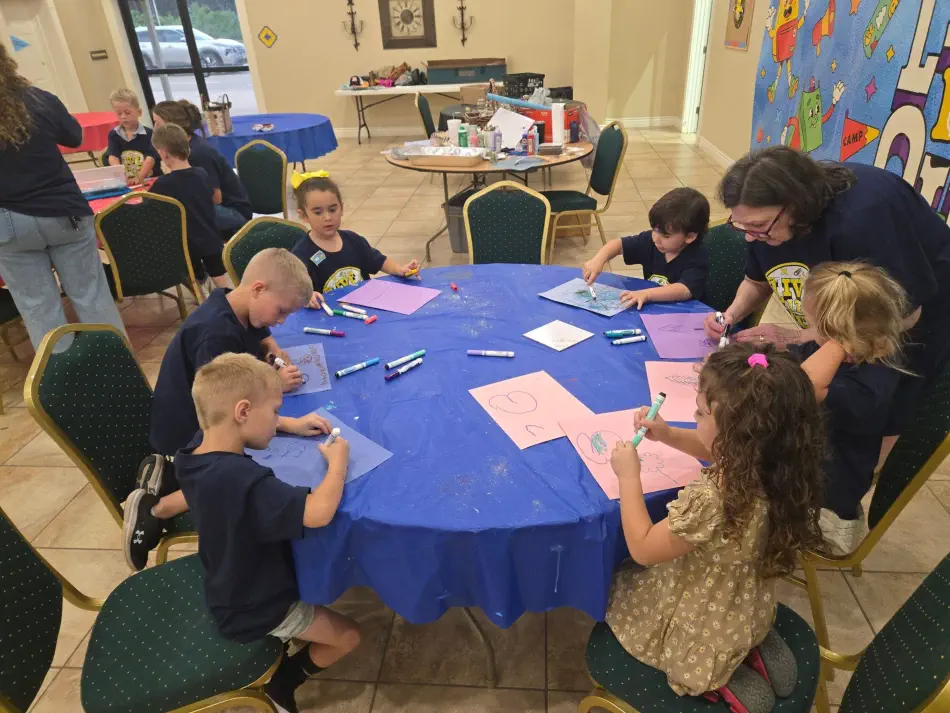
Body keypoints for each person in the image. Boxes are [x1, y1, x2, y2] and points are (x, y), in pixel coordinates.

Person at [705, 146, 950, 463]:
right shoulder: (765, 226)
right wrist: (730, 315)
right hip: (843, 329)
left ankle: (868, 476)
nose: (750, 238)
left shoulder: (862, 221)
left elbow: (899, 316)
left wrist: (800, 336)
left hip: (912, 318)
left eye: (759, 226)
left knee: (874, 416)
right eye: (742, 226)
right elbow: (757, 280)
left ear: (797, 207)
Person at [606, 343, 824, 699]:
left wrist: (628, 477)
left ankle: (716, 674)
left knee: (617, 583)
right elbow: (718, 447)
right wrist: (668, 434)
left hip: (697, 616)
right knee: (732, 622)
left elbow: (643, 548)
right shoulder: (778, 465)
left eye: (700, 413)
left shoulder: (711, 500)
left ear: (735, 434)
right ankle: (747, 645)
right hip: (743, 602)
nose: (694, 416)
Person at [123, 248, 332, 571]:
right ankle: (156, 508)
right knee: (240, 478)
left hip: (206, 415)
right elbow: (232, 415)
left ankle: (169, 477)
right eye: (281, 312)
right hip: (190, 431)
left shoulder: (234, 302)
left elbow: (259, 332)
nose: (280, 321)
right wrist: (277, 394)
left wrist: (273, 349)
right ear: (259, 288)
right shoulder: (215, 334)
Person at [178, 353, 360, 713]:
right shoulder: (244, 481)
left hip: (228, 583)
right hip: (258, 605)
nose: (277, 421)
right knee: (348, 637)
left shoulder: (190, 455)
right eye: (276, 412)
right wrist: (338, 463)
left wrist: (289, 425)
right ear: (243, 411)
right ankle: (283, 683)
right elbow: (319, 513)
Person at [0, 43, 126, 353]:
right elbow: (75, 137)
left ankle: (64, 378)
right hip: (63, 212)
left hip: (8, 221)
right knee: (92, 296)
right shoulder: (38, 100)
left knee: (39, 310)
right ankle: (118, 369)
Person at [794, 262, 907, 554]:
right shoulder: (846, 353)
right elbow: (795, 359)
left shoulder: (868, 386)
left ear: (837, 333)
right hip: (809, 471)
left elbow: (802, 389)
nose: (809, 333)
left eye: (813, 326)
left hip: (822, 502)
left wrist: (835, 341)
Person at [288, 171, 420, 308]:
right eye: (317, 212)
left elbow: (379, 261)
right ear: (303, 215)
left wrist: (399, 269)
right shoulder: (301, 254)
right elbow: (295, 291)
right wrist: (307, 297)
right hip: (329, 316)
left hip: (365, 310)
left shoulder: (353, 240)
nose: (327, 217)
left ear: (341, 208)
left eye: (332, 210)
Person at [582, 187, 710, 309]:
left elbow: (684, 290)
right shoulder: (650, 240)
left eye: (665, 236)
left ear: (690, 237)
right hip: (652, 310)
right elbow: (618, 245)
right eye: (654, 230)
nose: (655, 239)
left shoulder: (698, 255)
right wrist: (598, 260)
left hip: (684, 314)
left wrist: (646, 294)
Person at [151, 99, 252, 237]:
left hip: (234, 212)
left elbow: (216, 198)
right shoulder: (184, 148)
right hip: (218, 208)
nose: (155, 128)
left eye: (158, 123)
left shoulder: (198, 153)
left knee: (185, 213)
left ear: (171, 125)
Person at [149, 124, 229, 289]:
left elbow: (149, 210)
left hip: (186, 247)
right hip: (212, 239)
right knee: (222, 282)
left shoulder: (162, 184)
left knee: (196, 282)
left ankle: (202, 289)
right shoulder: (201, 174)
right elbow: (214, 199)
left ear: (163, 153)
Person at [101, 88, 159, 185]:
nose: (123, 116)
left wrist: (139, 177)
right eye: (119, 113)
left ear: (139, 112)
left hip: (149, 180)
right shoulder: (114, 134)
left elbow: (150, 159)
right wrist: (121, 176)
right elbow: (113, 157)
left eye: (127, 113)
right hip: (127, 182)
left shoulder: (150, 134)